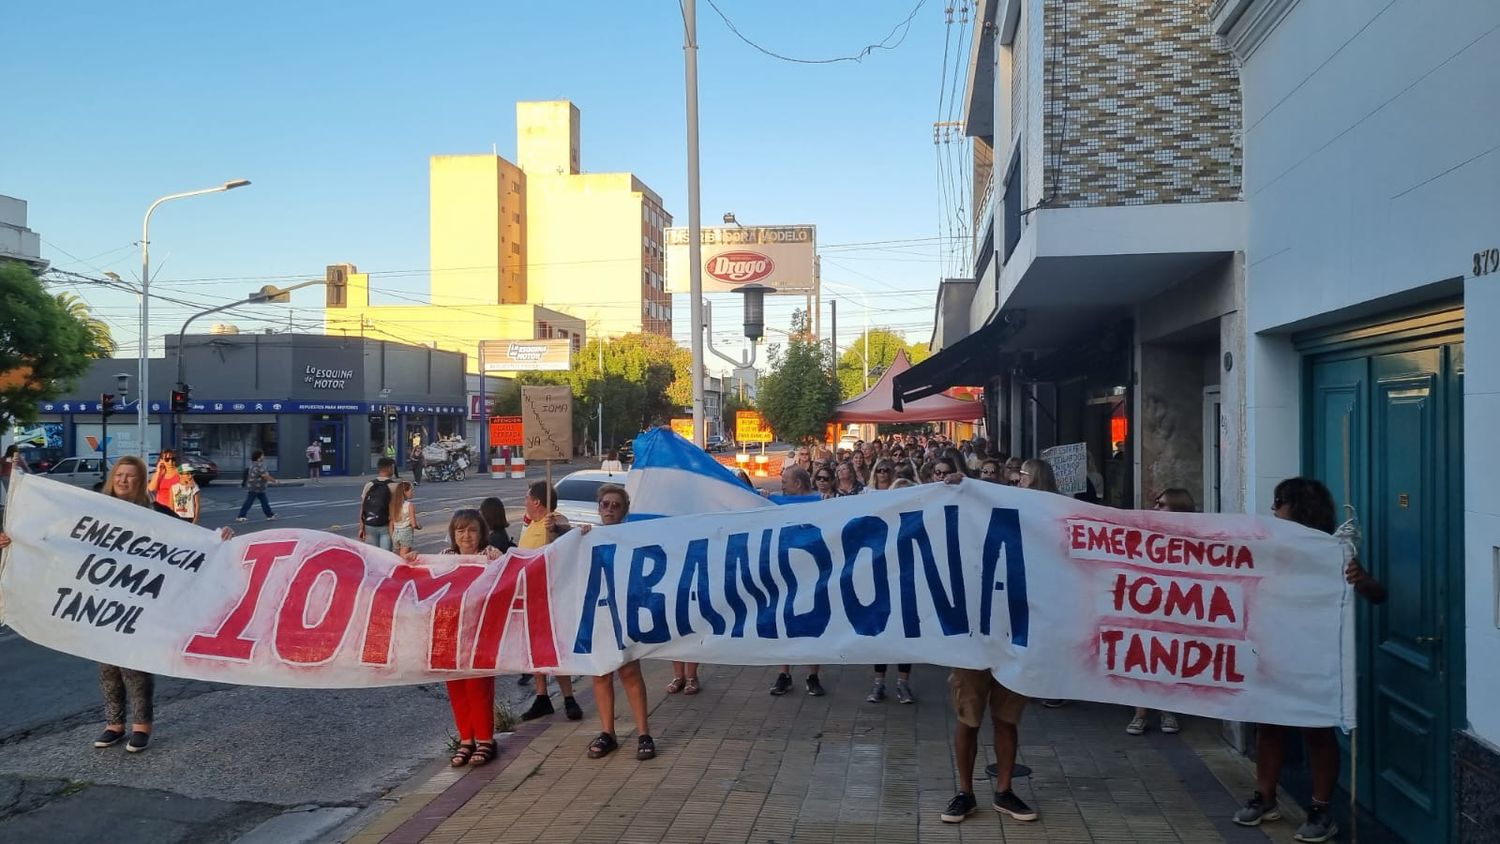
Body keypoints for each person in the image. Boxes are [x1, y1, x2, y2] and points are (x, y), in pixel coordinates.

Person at [0, 457, 233, 753]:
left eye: (130, 476)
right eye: (119, 475)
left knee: (135, 664)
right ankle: (114, 724)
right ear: (113, 478)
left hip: (141, 600)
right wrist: (15, 540)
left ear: (139, 480)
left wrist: (218, 539)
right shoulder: (95, 508)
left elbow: (188, 541)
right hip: (103, 597)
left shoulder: (154, 513)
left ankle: (142, 726)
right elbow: (55, 536)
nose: (124, 480)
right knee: (107, 664)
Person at [1233, 477, 1386, 843]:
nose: (1273, 509)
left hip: (1314, 657)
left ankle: (1320, 809)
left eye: (1279, 501)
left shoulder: (1332, 550)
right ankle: (1265, 798)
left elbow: (1378, 595)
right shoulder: (1268, 546)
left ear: (1299, 507)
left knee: (1317, 729)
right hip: (1272, 652)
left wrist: (1360, 579)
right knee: (1268, 726)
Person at [405, 509, 503, 766]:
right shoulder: (445, 558)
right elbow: (423, 578)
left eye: (472, 530)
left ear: (481, 532)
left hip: (479, 633)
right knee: (456, 688)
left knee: (478, 687)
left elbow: (508, 577)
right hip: (449, 633)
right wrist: (414, 561)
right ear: (453, 534)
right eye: (461, 530)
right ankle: (466, 740)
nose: (466, 536)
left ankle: (485, 740)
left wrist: (498, 560)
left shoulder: (489, 556)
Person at [574, 485, 658, 760]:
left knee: (630, 673)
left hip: (624, 614)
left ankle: (644, 733)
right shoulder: (588, 536)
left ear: (625, 510)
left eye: (615, 505)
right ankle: (607, 732)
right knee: (600, 673)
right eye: (605, 504)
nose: (609, 509)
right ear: (598, 507)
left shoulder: (632, 537)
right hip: (597, 615)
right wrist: (565, 531)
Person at [1125, 488, 1196, 736]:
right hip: (1146, 602)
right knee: (1141, 653)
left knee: (1169, 655)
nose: (1156, 508)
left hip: (1176, 605)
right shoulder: (1146, 531)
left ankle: (1167, 709)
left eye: (1162, 504)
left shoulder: (1195, 537)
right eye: (1156, 503)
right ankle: (1141, 712)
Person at [519, 480, 584, 722]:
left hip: (552, 597)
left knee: (555, 648)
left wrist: (556, 527)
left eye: (527, 498)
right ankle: (542, 697)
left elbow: (566, 530)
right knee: (535, 649)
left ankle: (568, 698)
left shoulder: (553, 521)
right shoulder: (533, 525)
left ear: (536, 501)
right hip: (532, 598)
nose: (524, 502)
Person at [768, 464, 825, 697]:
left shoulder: (823, 503)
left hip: (813, 574)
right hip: (784, 573)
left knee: (812, 625)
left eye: (785, 482)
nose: (781, 485)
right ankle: (785, 674)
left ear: (798, 484)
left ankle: (813, 676)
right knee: (783, 623)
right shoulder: (776, 502)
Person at [357, 457, 397, 550]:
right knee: (386, 556)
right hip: (386, 526)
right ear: (390, 468)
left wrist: (361, 527)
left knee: (373, 555)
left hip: (369, 525)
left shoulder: (369, 484)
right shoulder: (394, 486)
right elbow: (397, 509)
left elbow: (363, 507)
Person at [235, 450, 277, 522]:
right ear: (259, 457)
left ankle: (270, 515)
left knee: (264, 501)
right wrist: (274, 481)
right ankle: (241, 516)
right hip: (256, 487)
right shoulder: (259, 465)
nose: (263, 457)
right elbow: (264, 476)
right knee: (249, 501)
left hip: (257, 486)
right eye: (262, 455)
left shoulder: (253, 464)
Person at [147, 449, 182, 517]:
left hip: (176, 510)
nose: (170, 462)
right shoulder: (160, 474)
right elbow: (151, 489)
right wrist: (158, 472)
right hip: (160, 510)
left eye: (173, 459)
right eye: (167, 459)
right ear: (161, 460)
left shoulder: (181, 473)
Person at [389, 481, 421, 555]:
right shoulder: (409, 505)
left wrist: (392, 536)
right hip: (406, 532)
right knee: (404, 557)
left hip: (395, 533)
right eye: (411, 490)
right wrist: (419, 526)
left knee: (398, 555)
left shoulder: (393, 505)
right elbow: (413, 524)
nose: (412, 492)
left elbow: (391, 522)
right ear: (405, 492)